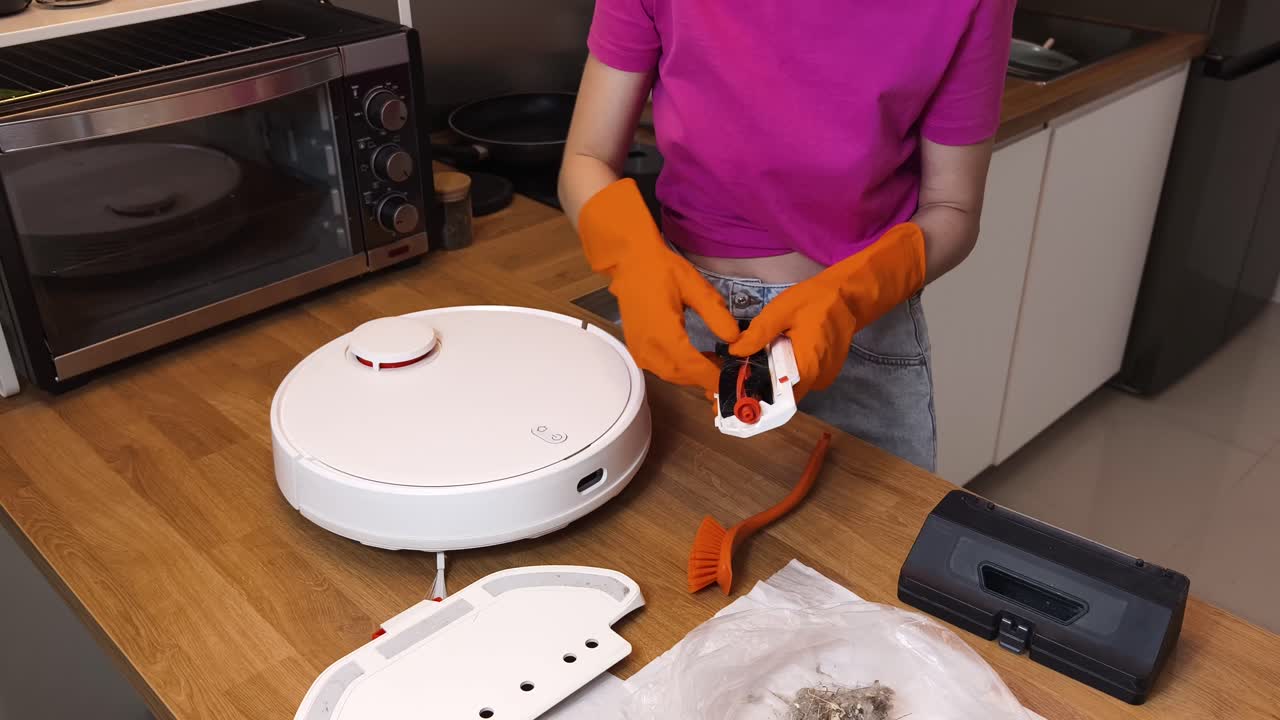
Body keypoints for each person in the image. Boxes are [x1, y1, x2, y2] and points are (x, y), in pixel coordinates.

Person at [559, 0, 1016, 471]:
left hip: (860, 334)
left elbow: (953, 208)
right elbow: (587, 157)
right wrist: (632, 260)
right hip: (681, 321)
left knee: (873, 543)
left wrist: (851, 299)